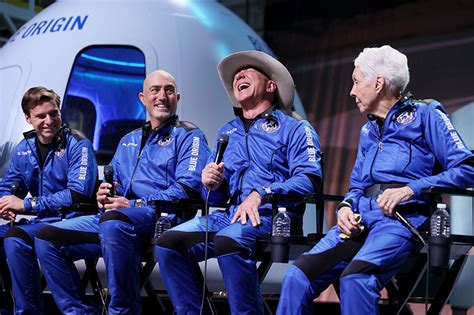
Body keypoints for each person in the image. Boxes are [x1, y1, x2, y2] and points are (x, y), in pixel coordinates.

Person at [276, 45, 474, 315]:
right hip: (363, 217)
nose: (352, 91)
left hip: (403, 220)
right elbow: (357, 185)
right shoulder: (368, 130)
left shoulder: (427, 115)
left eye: (357, 82)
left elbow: (467, 168)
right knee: (296, 277)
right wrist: (346, 207)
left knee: (355, 279)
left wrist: (410, 189)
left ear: (378, 83)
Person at [155, 50, 323, 314]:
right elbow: (217, 198)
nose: (238, 75)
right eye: (235, 75)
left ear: (271, 85)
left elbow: (309, 179)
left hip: (271, 216)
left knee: (228, 240)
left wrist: (263, 193)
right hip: (231, 216)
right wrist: (213, 183)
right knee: (168, 243)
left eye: (248, 70)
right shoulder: (227, 131)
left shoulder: (295, 128)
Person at [35, 70, 210, 314]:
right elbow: (113, 182)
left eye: (169, 90)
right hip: (116, 218)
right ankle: (77, 312)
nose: (162, 96)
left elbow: (187, 189)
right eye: (155, 90)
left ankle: (122, 311)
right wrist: (103, 193)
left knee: (114, 222)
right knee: (46, 237)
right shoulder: (129, 139)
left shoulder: (189, 135)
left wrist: (135, 204)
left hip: (160, 217)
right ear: (142, 98)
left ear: (177, 97)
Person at [0, 86, 98, 314]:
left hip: (73, 223)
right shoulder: (24, 149)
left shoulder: (78, 144)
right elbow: (8, 186)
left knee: (16, 238)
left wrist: (26, 204)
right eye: (41, 116)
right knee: (12, 237)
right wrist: (3, 202)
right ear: (28, 118)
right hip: (42, 224)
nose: (49, 121)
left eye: (53, 113)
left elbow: (78, 194)